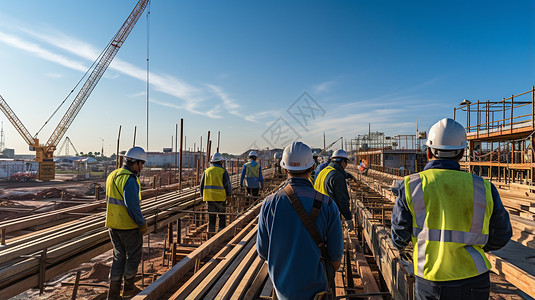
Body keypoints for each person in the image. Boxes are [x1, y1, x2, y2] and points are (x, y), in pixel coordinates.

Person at [391, 118, 512, 300]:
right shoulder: (483, 187)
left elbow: (399, 236)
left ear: (429, 152)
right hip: (474, 278)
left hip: (431, 280)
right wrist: (474, 247)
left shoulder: (411, 185)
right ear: (462, 153)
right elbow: (502, 234)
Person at [257, 142, 344, 300]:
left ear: (285, 170)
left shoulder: (269, 203)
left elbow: (263, 252)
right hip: (317, 293)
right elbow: (336, 260)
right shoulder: (328, 205)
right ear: (312, 168)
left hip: (282, 292)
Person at [105, 146, 149, 299]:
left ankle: (113, 293)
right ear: (135, 163)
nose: (142, 167)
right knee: (133, 256)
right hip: (128, 226)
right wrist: (141, 223)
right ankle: (129, 288)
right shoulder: (130, 179)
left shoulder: (113, 175)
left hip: (112, 225)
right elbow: (132, 205)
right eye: (141, 164)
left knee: (118, 257)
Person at [314, 149, 355, 231]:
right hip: (330, 216)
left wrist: (348, 175)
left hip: (316, 213)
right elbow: (342, 200)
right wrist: (348, 218)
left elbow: (333, 175)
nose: (346, 165)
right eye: (346, 162)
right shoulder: (337, 176)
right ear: (343, 162)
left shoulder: (324, 171)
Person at [200, 152, 232, 233]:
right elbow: (227, 185)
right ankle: (221, 235)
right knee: (222, 217)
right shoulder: (223, 171)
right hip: (221, 198)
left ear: (212, 162)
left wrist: (202, 195)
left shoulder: (206, 171)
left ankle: (210, 235)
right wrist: (229, 195)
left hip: (210, 199)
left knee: (211, 218)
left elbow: (201, 185)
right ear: (221, 162)